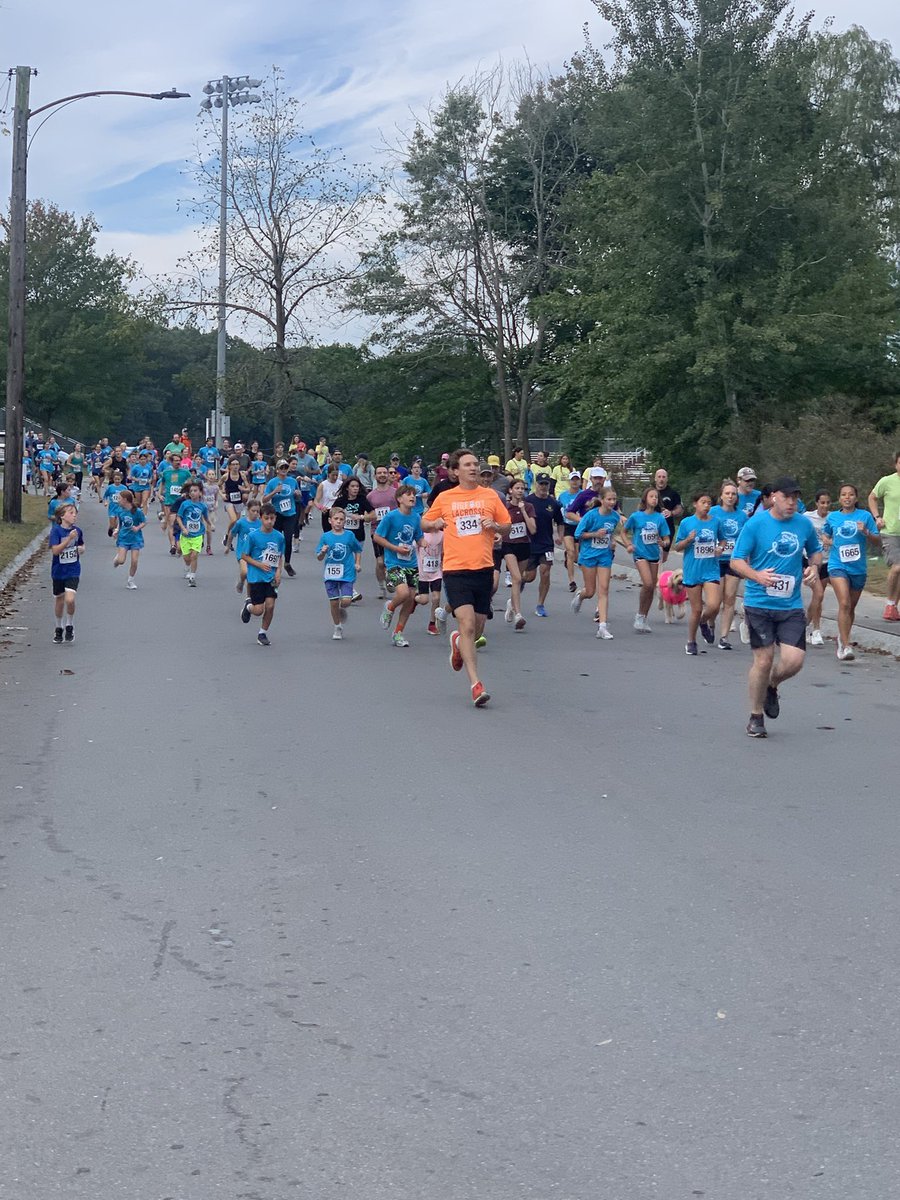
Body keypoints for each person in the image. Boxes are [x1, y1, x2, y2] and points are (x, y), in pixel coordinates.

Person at [730, 476, 823, 738]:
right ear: (774, 498)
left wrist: (814, 567)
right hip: (759, 602)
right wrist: (757, 576)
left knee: (794, 661)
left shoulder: (803, 524)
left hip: (790, 604)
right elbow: (736, 561)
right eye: (786, 497)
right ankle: (755, 716)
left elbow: (815, 551)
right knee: (764, 660)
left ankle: (772, 684)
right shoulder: (756, 523)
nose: (792, 502)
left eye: (795, 497)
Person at [422, 449, 511, 706]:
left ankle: (458, 641)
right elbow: (425, 523)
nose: (473, 468)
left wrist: (496, 526)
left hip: (483, 569)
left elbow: (506, 526)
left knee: (477, 629)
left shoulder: (490, 496)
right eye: (467, 465)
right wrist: (435, 524)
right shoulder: (446, 498)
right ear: (455, 471)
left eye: (475, 464)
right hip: (455, 569)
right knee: (468, 624)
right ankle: (476, 684)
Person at [822, 484, 881, 660]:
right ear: (839, 498)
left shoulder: (865, 516)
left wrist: (866, 531)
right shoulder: (833, 517)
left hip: (858, 568)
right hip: (837, 565)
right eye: (843, 495)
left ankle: (843, 636)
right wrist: (828, 541)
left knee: (851, 607)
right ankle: (846, 646)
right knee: (845, 603)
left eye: (850, 494)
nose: (847, 497)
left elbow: (877, 541)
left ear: (856, 498)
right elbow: (825, 534)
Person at [572, 486, 631, 639]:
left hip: (604, 556)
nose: (612, 502)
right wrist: (595, 534)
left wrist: (617, 542)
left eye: (614, 499)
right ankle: (580, 596)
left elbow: (612, 534)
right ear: (602, 500)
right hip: (588, 555)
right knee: (590, 591)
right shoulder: (591, 515)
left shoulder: (614, 517)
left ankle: (602, 627)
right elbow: (578, 534)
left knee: (604, 590)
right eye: (609, 499)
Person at [674, 490, 724, 655]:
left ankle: (704, 621)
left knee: (714, 605)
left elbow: (723, 539)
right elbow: (677, 547)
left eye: (709, 503)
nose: (706, 506)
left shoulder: (716, 522)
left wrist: (720, 547)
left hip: (711, 569)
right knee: (696, 609)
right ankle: (691, 641)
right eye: (703, 502)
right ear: (695, 504)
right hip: (693, 570)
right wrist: (688, 540)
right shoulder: (687, 523)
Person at [373, 484, 423, 648]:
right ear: (399, 499)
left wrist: (426, 544)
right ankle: (390, 606)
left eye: (414, 495)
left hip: (411, 563)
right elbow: (377, 537)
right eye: (408, 495)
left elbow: (418, 537)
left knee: (410, 599)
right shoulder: (391, 517)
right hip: (394, 562)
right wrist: (395, 548)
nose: (412, 497)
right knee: (402, 593)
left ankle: (398, 633)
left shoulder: (416, 517)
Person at [624, 486, 671, 632]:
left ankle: (643, 617)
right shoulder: (636, 516)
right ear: (645, 499)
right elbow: (623, 532)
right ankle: (639, 615)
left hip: (654, 555)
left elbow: (667, 539)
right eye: (651, 496)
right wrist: (628, 544)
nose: (654, 499)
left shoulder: (659, 518)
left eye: (656, 497)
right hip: (640, 554)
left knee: (651, 588)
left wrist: (663, 543)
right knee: (648, 583)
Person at [709, 480, 748, 650]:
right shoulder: (713, 512)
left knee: (730, 599)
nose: (730, 496)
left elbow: (746, 538)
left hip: (734, 560)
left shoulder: (742, 516)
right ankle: (710, 623)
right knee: (715, 602)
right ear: (721, 496)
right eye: (727, 493)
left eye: (733, 494)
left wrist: (746, 557)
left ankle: (724, 637)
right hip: (715, 560)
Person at [239, 504, 284, 646]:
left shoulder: (279, 537)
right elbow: (244, 556)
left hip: (271, 577)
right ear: (261, 518)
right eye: (266, 518)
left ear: (275, 518)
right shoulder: (253, 536)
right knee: (258, 610)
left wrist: (278, 572)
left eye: (272, 518)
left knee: (270, 606)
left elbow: (279, 556)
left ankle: (262, 633)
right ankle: (248, 607)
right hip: (256, 577)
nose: (269, 521)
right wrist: (259, 565)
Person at [315, 507, 362, 639]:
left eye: (341, 519)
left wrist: (357, 563)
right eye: (336, 519)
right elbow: (319, 557)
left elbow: (358, 549)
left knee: (346, 601)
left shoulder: (349, 536)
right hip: (331, 574)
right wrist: (322, 552)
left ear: (344, 521)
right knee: (334, 602)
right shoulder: (325, 537)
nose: (338, 522)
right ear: (330, 520)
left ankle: (341, 609)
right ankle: (337, 627)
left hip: (347, 572)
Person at [523, 473, 564, 617]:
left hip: (547, 544)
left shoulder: (553, 503)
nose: (543, 487)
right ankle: (521, 581)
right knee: (530, 576)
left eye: (546, 484)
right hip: (530, 543)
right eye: (541, 484)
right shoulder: (528, 501)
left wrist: (560, 536)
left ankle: (540, 604)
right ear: (536, 484)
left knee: (545, 572)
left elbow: (560, 522)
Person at [868, 449, 900, 621]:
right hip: (891, 532)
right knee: (897, 567)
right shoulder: (887, 481)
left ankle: (893, 606)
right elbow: (872, 497)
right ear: (895, 464)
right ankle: (889, 603)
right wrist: (877, 517)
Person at [501, 477, 537, 630]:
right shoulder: (505, 507)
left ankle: (511, 603)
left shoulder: (528, 507)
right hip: (508, 545)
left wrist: (523, 511)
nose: (520, 491)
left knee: (519, 580)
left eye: (522, 488)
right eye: (517, 488)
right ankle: (518, 615)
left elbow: (533, 529)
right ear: (510, 490)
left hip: (524, 545)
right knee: (516, 577)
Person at [331, 476, 375, 601]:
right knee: (346, 562)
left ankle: (346, 587)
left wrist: (361, 517)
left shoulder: (362, 500)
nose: (355, 489)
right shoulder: (341, 501)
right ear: (347, 488)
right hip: (342, 536)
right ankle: (350, 590)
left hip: (358, 536)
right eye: (352, 486)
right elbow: (332, 514)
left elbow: (373, 515)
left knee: (354, 564)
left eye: (357, 486)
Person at [49, 503, 83, 642]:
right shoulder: (56, 531)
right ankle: (59, 628)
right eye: (71, 513)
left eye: (75, 513)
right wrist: (69, 539)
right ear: (62, 516)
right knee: (60, 600)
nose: (74, 515)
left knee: (70, 599)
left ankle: (69, 624)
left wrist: (81, 549)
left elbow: (81, 544)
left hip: (73, 570)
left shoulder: (78, 531)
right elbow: (55, 551)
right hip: (58, 571)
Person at [262, 460, 302, 576]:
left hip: (290, 514)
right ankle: (275, 564)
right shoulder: (272, 482)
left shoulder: (292, 481)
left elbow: (297, 495)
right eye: (281, 468)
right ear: (277, 470)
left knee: (288, 539)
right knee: (276, 540)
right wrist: (274, 491)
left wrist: (297, 494)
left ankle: (287, 563)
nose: (284, 469)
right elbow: (264, 500)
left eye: (286, 467)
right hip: (277, 514)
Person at [804, 489, 832, 646]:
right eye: (822, 503)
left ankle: (807, 627)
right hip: (809, 561)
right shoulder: (807, 517)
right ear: (816, 503)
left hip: (827, 561)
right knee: (819, 593)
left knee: (818, 597)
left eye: (827, 503)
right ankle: (815, 630)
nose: (825, 506)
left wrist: (831, 542)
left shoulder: (833, 518)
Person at [367, 465, 399, 598]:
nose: (382, 475)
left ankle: (392, 581)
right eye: (379, 473)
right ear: (375, 476)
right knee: (380, 562)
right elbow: (367, 515)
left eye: (384, 473)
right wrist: (370, 517)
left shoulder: (396, 493)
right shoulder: (370, 496)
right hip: (377, 531)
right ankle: (381, 586)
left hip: (393, 532)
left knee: (392, 561)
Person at [176, 480, 211, 586]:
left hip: (198, 534)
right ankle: (187, 566)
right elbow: (178, 517)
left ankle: (192, 576)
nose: (193, 493)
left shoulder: (203, 506)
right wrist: (183, 528)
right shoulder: (185, 504)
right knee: (187, 557)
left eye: (195, 491)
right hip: (186, 535)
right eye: (191, 491)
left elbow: (206, 518)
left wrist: (211, 524)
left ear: (200, 492)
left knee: (194, 555)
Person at [158, 453, 191, 554]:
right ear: (171, 462)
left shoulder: (185, 472)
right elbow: (162, 483)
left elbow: (191, 483)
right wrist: (159, 494)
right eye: (175, 460)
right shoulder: (166, 472)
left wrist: (187, 492)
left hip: (182, 501)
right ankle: (173, 545)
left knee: (182, 522)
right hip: (170, 501)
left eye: (179, 460)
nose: (178, 462)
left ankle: (181, 542)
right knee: (171, 523)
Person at [112, 490, 146, 588]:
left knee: (134, 560)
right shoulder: (120, 511)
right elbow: (120, 523)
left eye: (119, 498)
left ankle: (131, 580)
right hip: (124, 538)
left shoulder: (137, 511)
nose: (118, 500)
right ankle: (117, 558)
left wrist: (137, 528)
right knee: (121, 561)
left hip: (136, 538)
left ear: (125, 500)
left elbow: (144, 522)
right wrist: (116, 530)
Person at [558, 470, 584, 592]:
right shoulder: (563, 496)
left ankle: (569, 558)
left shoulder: (583, 495)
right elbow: (559, 510)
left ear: (580, 481)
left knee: (577, 556)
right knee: (571, 552)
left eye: (577, 480)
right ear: (569, 481)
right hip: (567, 526)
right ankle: (572, 581)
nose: (575, 482)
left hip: (580, 526)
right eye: (572, 480)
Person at [230, 498, 262, 595]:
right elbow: (232, 533)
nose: (255, 513)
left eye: (258, 511)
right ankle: (241, 581)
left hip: (255, 554)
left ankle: (249, 598)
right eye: (253, 511)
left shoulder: (261, 523)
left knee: (252, 578)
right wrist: (228, 545)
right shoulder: (241, 522)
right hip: (242, 552)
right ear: (248, 510)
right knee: (245, 572)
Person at [417, 528, 445, 635]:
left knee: (436, 597)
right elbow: (413, 549)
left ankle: (432, 623)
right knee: (424, 600)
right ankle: (415, 599)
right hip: (422, 573)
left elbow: (444, 551)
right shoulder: (420, 534)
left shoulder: (442, 535)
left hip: (436, 572)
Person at [220, 460, 249, 552]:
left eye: (237, 464)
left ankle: (228, 541)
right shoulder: (226, 476)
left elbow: (248, 488)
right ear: (229, 466)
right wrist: (222, 495)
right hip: (229, 501)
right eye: (233, 464)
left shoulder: (242, 476)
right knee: (233, 519)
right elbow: (217, 486)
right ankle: (227, 535)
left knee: (236, 523)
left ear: (239, 466)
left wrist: (243, 489)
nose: (235, 466)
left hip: (238, 501)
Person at [654, 468, 683, 550]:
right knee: (652, 552)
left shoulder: (673, 493)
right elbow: (642, 507)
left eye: (663, 477)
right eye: (659, 477)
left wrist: (671, 513)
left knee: (663, 554)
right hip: (652, 526)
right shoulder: (649, 492)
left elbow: (679, 508)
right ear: (655, 478)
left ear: (667, 479)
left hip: (667, 527)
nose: (661, 479)